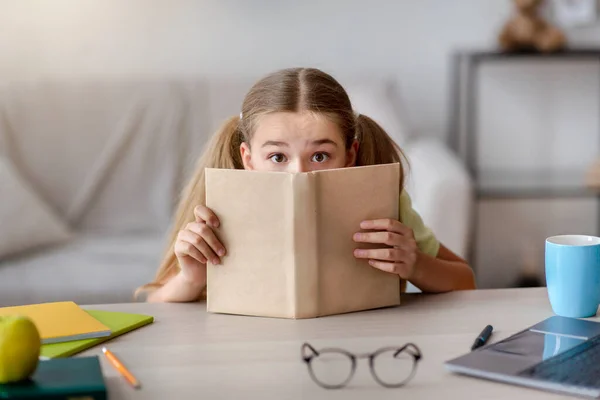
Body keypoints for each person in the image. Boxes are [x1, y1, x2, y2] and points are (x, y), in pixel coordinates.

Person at [137, 67, 476, 303]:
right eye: (278, 157)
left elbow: (465, 280)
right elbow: (157, 302)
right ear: (248, 158)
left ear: (350, 153)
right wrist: (192, 278)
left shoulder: (384, 203)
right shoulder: (216, 209)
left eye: (319, 156)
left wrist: (416, 264)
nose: (299, 175)